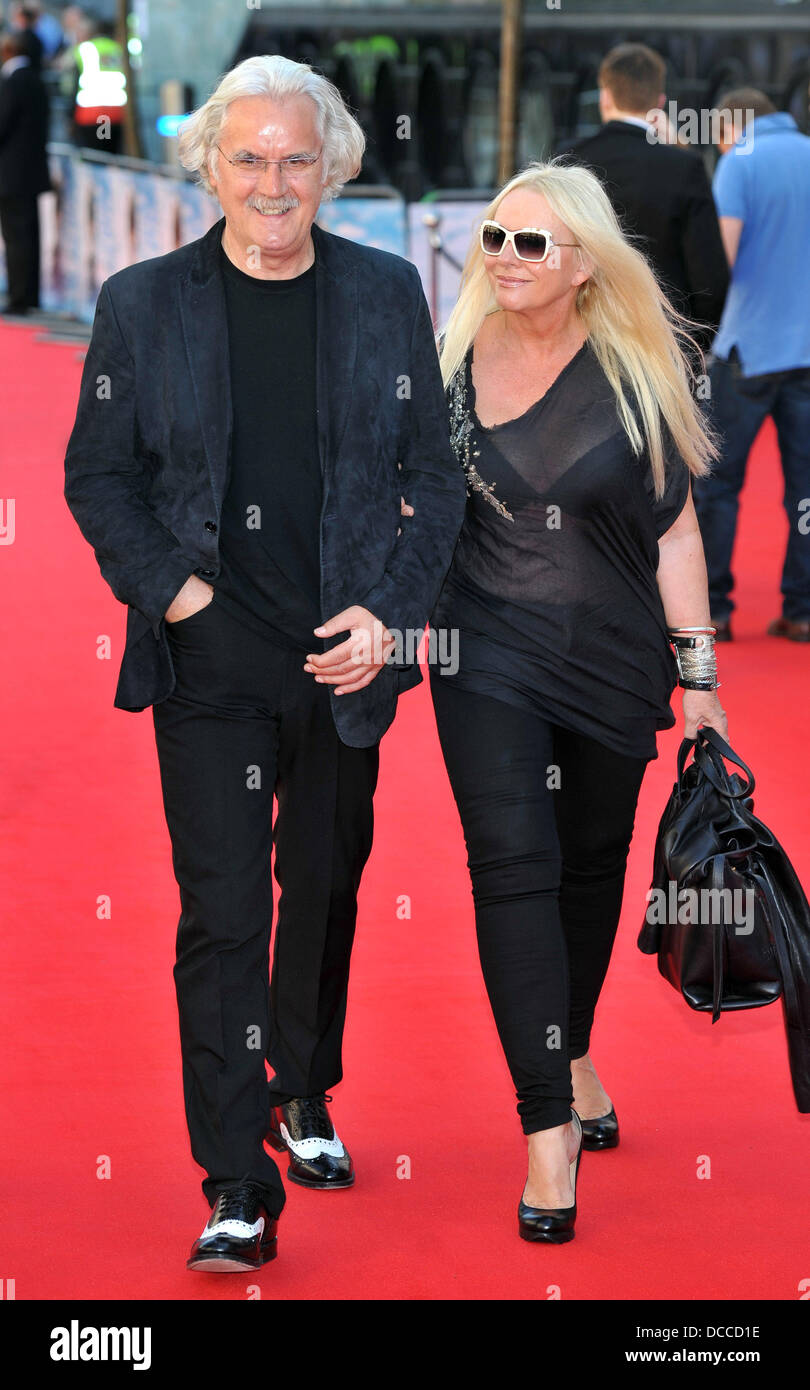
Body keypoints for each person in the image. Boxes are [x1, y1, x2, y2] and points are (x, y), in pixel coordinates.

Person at [64, 54, 466, 1273]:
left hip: (347, 654)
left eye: (298, 158)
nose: (274, 182)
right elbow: (97, 472)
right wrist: (177, 593)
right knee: (226, 914)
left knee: (328, 890)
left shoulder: (390, 292)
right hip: (210, 659)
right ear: (210, 168)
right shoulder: (144, 303)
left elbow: (437, 478)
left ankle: (303, 1088)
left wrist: (391, 618)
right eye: (249, 158)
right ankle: (237, 1179)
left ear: (332, 165)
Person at [430, 159, 727, 1243]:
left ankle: (569, 1043)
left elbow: (678, 530)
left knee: (588, 873)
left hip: (611, 665)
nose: (505, 258)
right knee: (512, 868)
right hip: (484, 659)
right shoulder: (451, 357)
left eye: (531, 244)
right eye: (496, 238)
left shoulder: (637, 375)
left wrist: (700, 683)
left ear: (585, 266)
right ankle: (546, 1126)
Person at [693, 88, 810, 642]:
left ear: (727, 127)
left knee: (717, 485)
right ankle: (803, 608)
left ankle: (714, 607)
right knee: (806, 490)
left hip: (747, 351)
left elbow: (723, 257)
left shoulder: (739, 162)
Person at [569, 43, 728, 361]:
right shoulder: (685, 167)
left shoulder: (569, 160)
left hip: (582, 344)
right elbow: (710, 276)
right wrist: (694, 346)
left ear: (605, 96)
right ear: (659, 103)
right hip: (665, 344)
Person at [0, 28, 50, 315]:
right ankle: (29, 295)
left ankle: (19, 298)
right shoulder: (36, 81)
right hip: (30, 173)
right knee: (29, 236)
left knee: (16, 237)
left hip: (11, 175)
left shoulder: (13, 82)